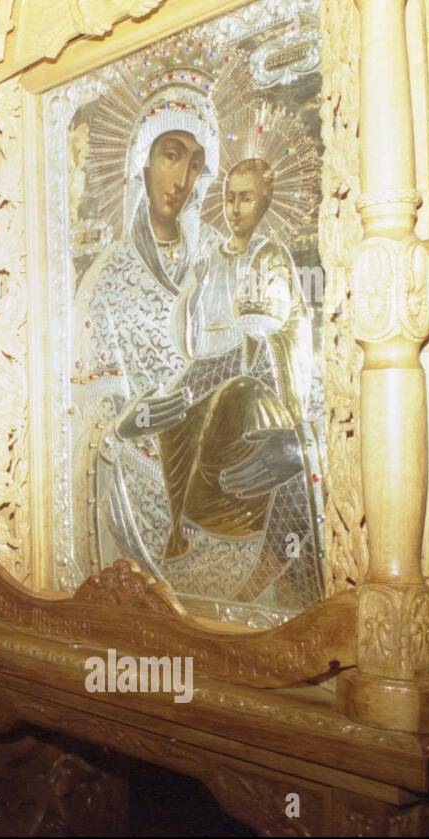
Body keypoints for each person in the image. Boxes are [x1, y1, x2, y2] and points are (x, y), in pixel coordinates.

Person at [71, 77, 321, 613]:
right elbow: (81, 412)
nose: (182, 179)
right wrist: (123, 425)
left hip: (235, 474)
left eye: (195, 163)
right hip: (144, 492)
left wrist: (295, 440)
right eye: (170, 155)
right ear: (142, 160)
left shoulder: (228, 251)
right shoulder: (106, 281)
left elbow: (287, 346)